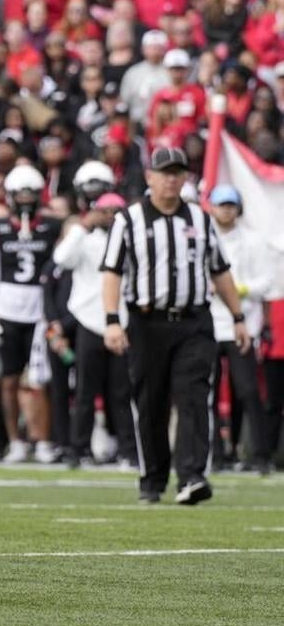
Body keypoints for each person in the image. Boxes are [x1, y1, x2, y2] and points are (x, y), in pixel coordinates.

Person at [101, 147, 250, 505]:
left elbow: (220, 269)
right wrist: (111, 321)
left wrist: (238, 316)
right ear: (149, 176)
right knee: (151, 402)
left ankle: (192, 476)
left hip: (193, 321)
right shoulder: (129, 219)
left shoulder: (200, 218)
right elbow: (112, 271)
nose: (171, 179)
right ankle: (152, 479)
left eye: (178, 172)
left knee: (194, 395)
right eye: (165, 172)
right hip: (146, 322)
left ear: (185, 178)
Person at [52, 170, 138, 469]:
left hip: (120, 320)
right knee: (85, 392)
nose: (111, 216)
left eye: (117, 212)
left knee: (121, 393)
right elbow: (61, 259)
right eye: (106, 211)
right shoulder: (86, 241)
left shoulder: (132, 242)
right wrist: (81, 227)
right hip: (89, 321)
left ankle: (128, 450)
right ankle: (78, 449)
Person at [0, 164, 62, 464]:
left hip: (38, 311)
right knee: (9, 380)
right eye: (21, 193)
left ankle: (42, 439)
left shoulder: (51, 227)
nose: (26, 199)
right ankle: (15, 441)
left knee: (39, 380)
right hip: (7, 310)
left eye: (31, 193)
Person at [207, 185, 272, 474]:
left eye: (231, 205)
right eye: (222, 205)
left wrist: (236, 290)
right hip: (209, 323)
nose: (227, 211)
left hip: (242, 323)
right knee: (206, 390)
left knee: (247, 390)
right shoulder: (202, 238)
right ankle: (216, 454)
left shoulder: (253, 241)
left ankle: (257, 454)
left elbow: (266, 282)